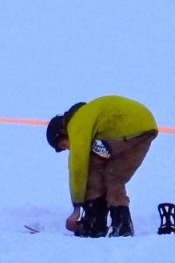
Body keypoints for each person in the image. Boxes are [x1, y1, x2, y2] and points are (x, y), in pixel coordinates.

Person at [46, 95, 158, 237]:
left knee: (91, 167)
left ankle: (95, 223)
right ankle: (123, 226)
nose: (69, 148)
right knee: (114, 177)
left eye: (64, 145)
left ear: (62, 132)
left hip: (126, 126)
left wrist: (76, 207)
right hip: (147, 127)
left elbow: (78, 165)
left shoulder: (76, 122)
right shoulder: (89, 115)